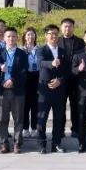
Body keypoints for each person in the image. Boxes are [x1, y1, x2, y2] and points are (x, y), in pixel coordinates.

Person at [35, 24, 69, 153]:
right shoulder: (41, 49)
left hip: (59, 89)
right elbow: (40, 63)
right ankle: (41, 144)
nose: (54, 36)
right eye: (51, 34)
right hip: (44, 89)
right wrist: (52, 63)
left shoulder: (63, 52)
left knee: (58, 117)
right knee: (42, 117)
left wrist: (60, 80)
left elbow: (67, 71)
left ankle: (56, 143)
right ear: (46, 36)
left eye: (56, 33)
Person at [0, 27, 28, 154]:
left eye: (13, 36)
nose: (11, 39)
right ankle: (4, 143)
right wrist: (0, 68)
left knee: (18, 118)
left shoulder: (22, 54)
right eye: (8, 36)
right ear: (4, 38)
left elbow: (24, 71)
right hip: (2, 90)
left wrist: (12, 80)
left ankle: (17, 144)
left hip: (17, 90)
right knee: (2, 119)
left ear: (17, 38)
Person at [58, 18, 86, 141]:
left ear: (73, 27)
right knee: (61, 106)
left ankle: (75, 129)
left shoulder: (80, 42)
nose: (67, 29)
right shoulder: (57, 41)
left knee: (76, 105)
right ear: (61, 28)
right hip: (61, 79)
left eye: (70, 26)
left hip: (76, 79)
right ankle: (60, 129)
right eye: (65, 26)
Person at [22, 27, 40, 139]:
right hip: (25, 78)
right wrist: (26, 54)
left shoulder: (39, 49)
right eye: (28, 34)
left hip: (37, 77)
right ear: (24, 37)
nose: (31, 37)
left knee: (35, 104)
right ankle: (25, 128)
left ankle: (34, 128)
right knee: (25, 105)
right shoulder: (21, 50)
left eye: (32, 34)